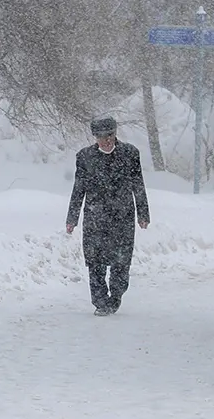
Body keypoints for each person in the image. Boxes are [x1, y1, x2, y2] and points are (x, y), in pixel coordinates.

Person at [66, 117, 150, 316]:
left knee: (121, 261)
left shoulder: (129, 154)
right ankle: (100, 301)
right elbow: (79, 188)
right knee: (95, 261)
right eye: (101, 137)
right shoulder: (85, 157)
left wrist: (143, 213)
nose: (105, 141)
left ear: (115, 134)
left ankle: (116, 295)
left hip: (123, 216)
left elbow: (138, 184)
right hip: (96, 216)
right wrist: (72, 218)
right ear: (95, 137)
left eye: (109, 136)